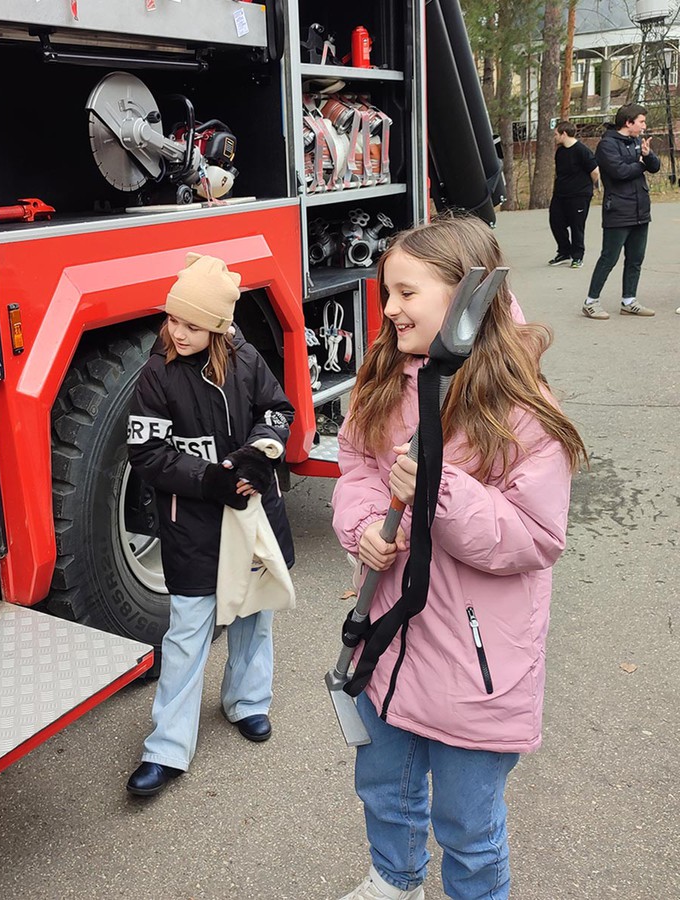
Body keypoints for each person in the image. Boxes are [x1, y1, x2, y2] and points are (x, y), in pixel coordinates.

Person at [330, 216, 587, 900]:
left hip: (475, 668)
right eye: (388, 291)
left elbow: (536, 535)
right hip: (388, 645)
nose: (388, 308)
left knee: (467, 826)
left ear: (465, 294)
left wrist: (438, 486)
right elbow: (356, 461)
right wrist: (361, 524)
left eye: (407, 293)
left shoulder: (521, 405)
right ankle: (396, 878)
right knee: (384, 788)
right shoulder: (385, 373)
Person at [123, 253, 296, 798]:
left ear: (219, 327)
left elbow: (278, 409)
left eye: (192, 324)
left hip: (252, 514)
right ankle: (168, 748)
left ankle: (247, 701)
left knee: (254, 615)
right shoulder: (157, 374)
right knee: (187, 632)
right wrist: (208, 479)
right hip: (191, 522)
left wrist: (259, 454)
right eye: (173, 319)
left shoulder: (246, 361)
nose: (177, 331)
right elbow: (146, 452)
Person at [582, 103, 659, 319]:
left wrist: (648, 155)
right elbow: (619, 172)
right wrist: (641, 164)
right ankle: (591, 302)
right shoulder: (607, 145)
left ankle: (629, 301)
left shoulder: (636, 141)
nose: (644, 125)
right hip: (618, 210)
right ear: (628, 122)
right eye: (641, 121)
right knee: (609, 258)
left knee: (636, 258)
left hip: (640, 210)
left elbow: (655, 167)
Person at [546, 121, 598, 268]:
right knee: (555, 222)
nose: (554, 137)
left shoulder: (582, 151)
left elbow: (595, 172)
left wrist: (586, 188)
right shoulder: (560, 151)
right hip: (561, 194)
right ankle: (564, 251)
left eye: (556, 134)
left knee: (577, 226)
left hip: (579, 195)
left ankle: (577, 256)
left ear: (564, 134)